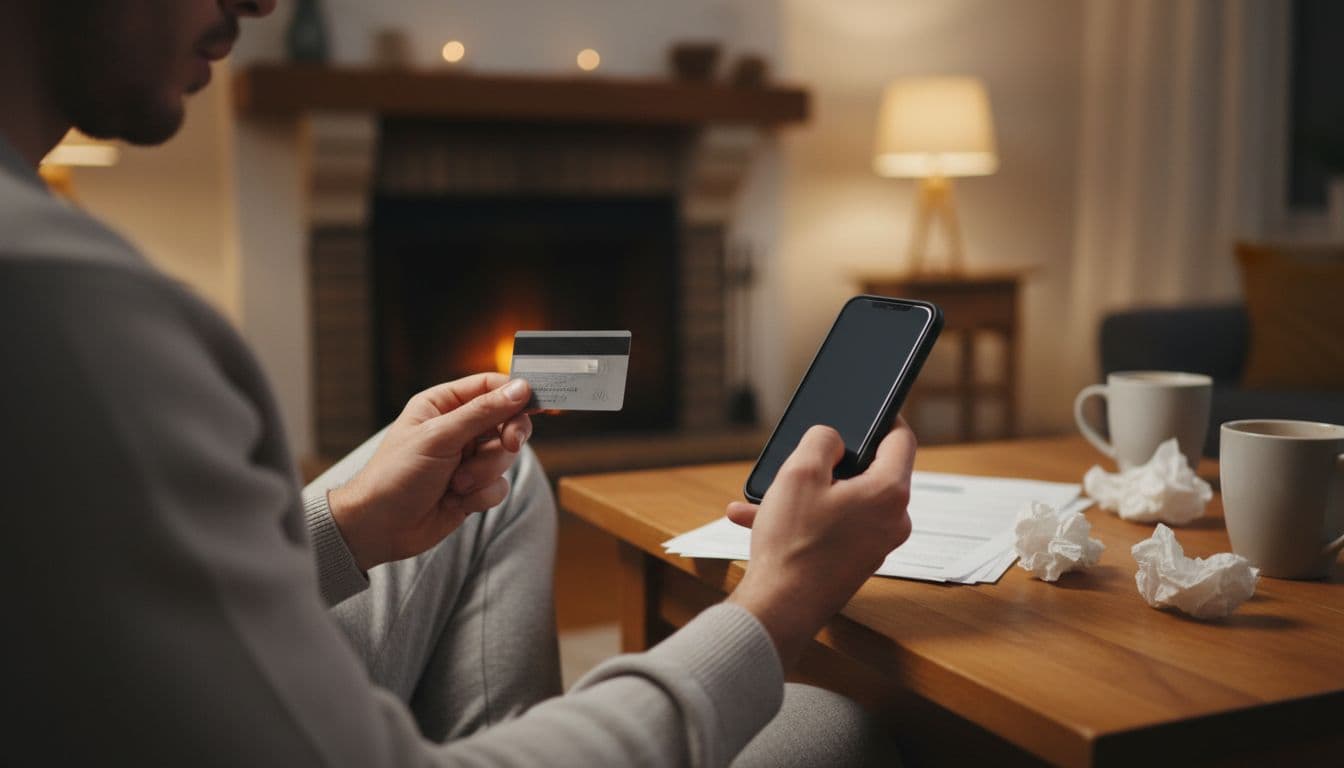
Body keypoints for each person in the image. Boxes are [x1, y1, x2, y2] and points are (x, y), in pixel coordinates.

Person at [0, 1, 917, 765]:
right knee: (824, 721)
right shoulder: (64, 302)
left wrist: (349, 525)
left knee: (501, 470)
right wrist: (778, 602)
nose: (263, 4)